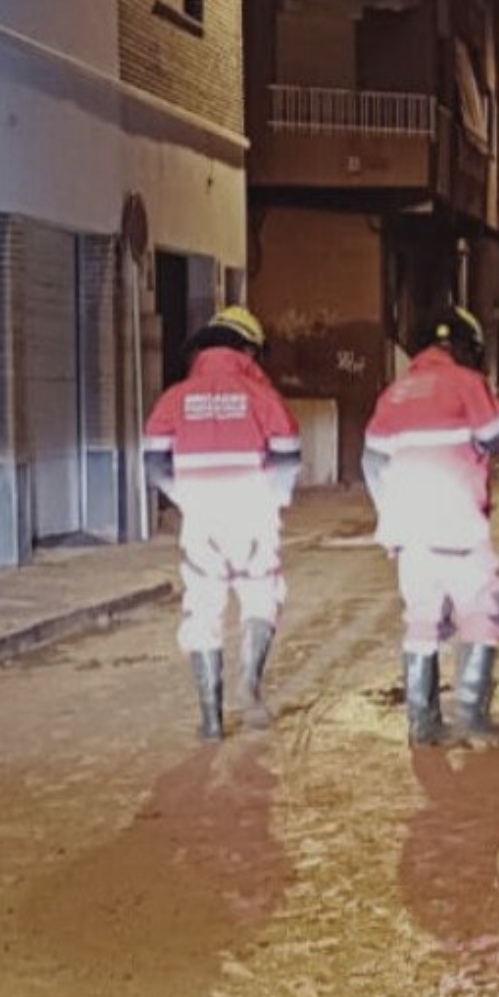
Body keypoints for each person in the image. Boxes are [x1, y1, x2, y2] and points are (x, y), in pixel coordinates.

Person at [141, 307, 301, 739]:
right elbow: (288, 454)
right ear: (247, 350)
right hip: (252, 512)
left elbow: (154, 462)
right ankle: (249, 692)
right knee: (261, 595)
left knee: (203, 607)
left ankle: (210, 721)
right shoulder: (262, 396)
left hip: (201, 516)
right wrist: (274, 499)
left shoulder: (175, 397)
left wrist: (184, 497)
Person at [365, 307, 499, 746]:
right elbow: (498, 436)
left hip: (410, 530)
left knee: (422, 620)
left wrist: (389, 518)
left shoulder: (394, 393)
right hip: (459, 524)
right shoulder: (467, 383)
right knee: (484, 609)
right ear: (465, 347)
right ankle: (472, 714)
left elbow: (372, 461)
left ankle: (422, 723)